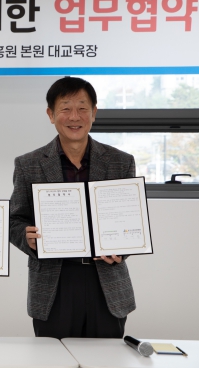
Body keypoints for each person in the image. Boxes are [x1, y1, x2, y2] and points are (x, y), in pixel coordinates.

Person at [9, 76, 136, 339]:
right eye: (65, 108)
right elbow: (14, 220)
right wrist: (26, 237)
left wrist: (122, 249)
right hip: (54, 284)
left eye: (82, 108)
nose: (74, 116)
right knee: (53, 357)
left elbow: (130, 220)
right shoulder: (29, 164)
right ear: (51, 114)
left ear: (94, 112)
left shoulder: (120, 162)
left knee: (106, 357)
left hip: (106, 283)